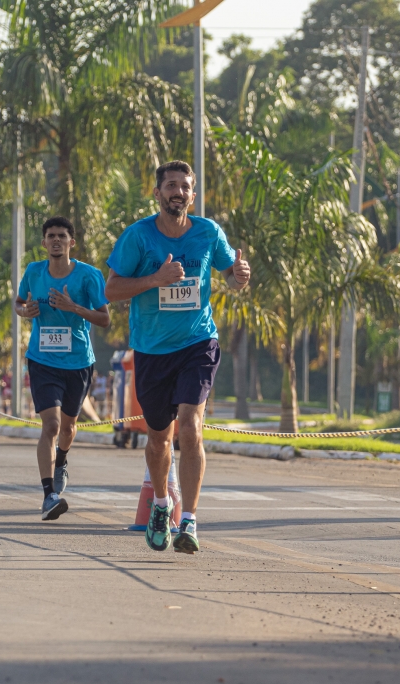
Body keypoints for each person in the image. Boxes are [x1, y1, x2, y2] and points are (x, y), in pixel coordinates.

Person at [105, 160, 251, 554]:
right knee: (158, 440)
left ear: (193, 194)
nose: (178, 192)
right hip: (152, 350)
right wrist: (155, 279)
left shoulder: (208, 232)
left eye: (184, 186)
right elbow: (111, 290)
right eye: (171, 185)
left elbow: (229, 275)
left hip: (197, 342)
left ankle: (189, 520)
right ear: (157, 193)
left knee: (190, 426)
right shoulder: (138, 237)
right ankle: (160, 504)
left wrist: (238, 276)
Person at [15, 216, 110, 520]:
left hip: (78, 362)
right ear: (44, 242)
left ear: (72, 242)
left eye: (62, 236)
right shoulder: (34, 272)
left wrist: (74, 308)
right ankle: (49, 495)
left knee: (68, 428)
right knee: (52, 426)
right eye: (51, 236)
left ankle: (62, 460)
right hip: (42, 360)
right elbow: (18, 302)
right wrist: (25, 312)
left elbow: (104, 318)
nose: (56, 240)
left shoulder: (88, 276)